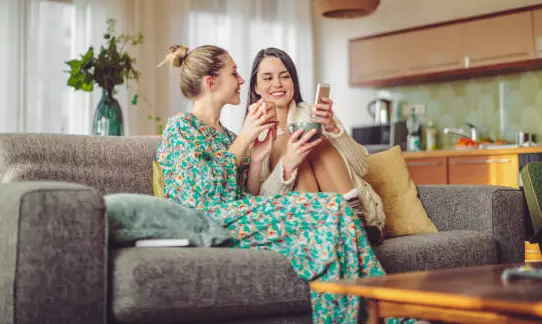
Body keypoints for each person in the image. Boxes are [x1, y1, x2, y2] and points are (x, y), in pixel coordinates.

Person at [156, 44, 420, 324]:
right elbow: (201, 194)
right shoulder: (181, 127)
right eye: (234, 73)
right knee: (331, 208)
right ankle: (396, 318)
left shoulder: (224, 135)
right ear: (211, 82)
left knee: (336, 212)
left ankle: (394, 316)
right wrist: (245, 141)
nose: (242, 81)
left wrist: (256, 160)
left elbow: (248, 194)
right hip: (209, 222)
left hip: (241, 215)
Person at [245, 47, 385, 245]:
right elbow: (256, 201)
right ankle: (322, 226)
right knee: (290, 142)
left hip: (350, 210)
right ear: (256, 87)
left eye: (285, 76)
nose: (277, 84)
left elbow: (363, 167)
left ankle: (355, 224)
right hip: (298, 217)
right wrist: (287, 166)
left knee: (310, 135)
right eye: (267, 78)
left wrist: (333, 128)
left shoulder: (315, 114)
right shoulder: (250, 132)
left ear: (293, 81)